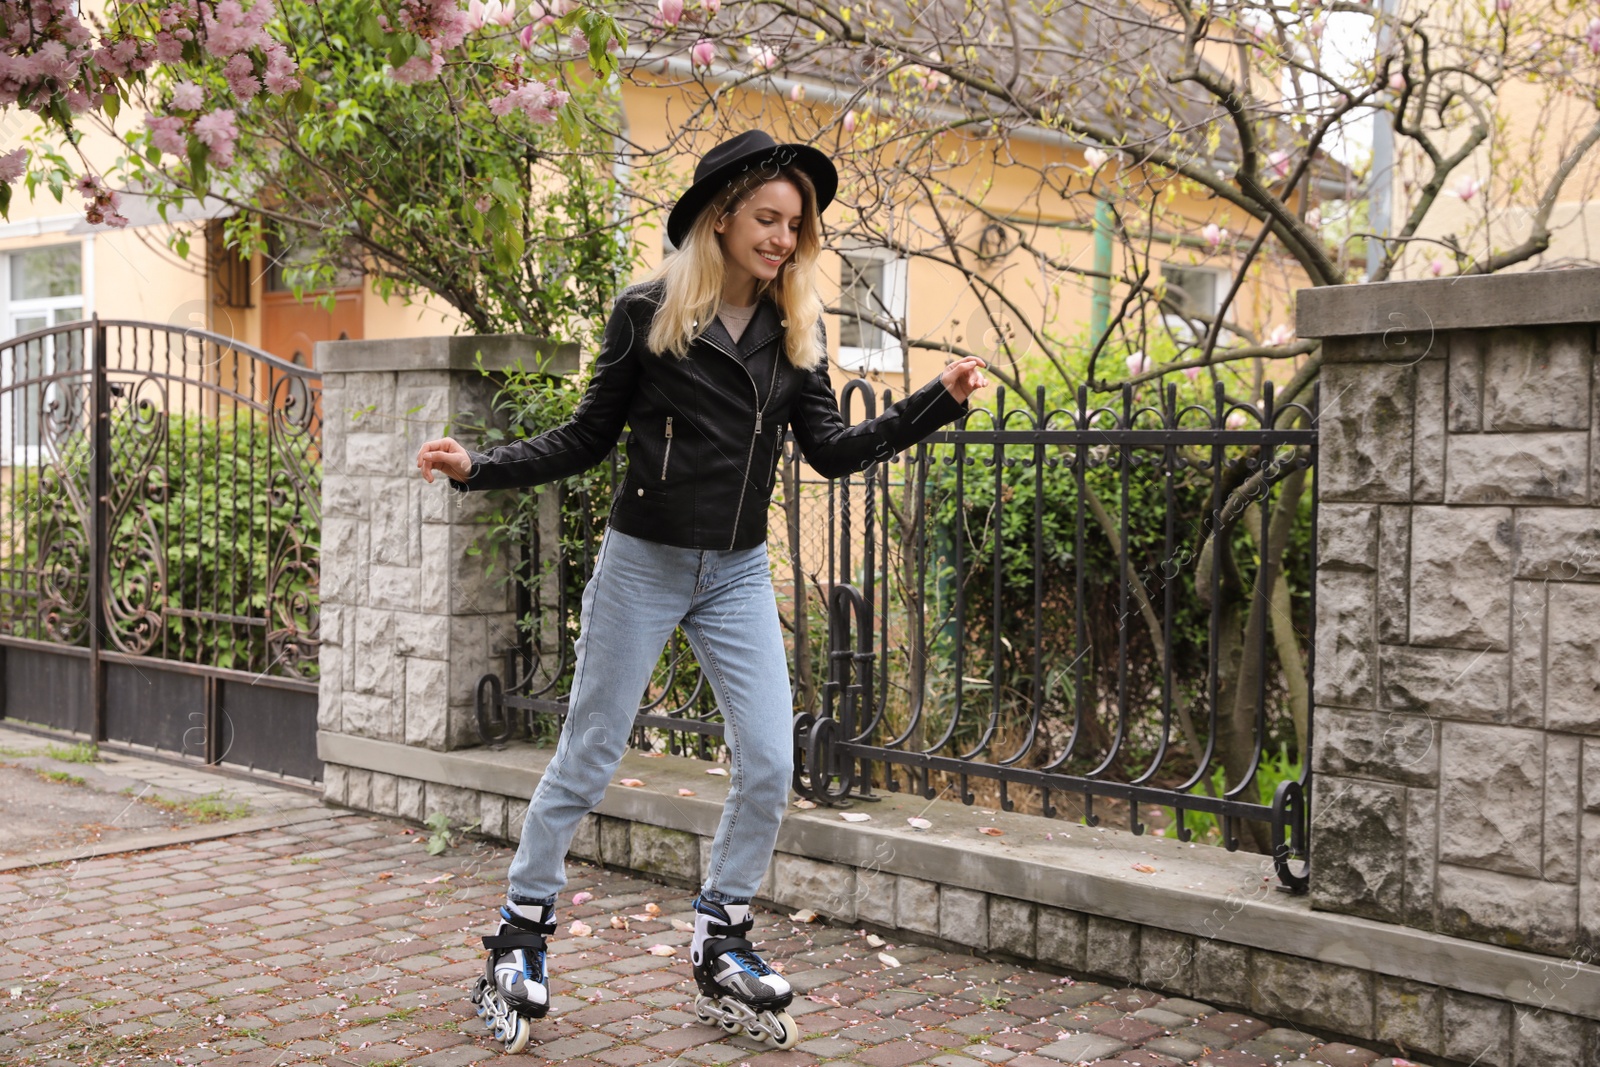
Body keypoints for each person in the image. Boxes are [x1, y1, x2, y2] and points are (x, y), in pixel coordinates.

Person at [415, 129, 988, 1052]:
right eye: (768, 218)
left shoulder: (795, 333)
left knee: (769, 760)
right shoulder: (648, 314)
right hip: (642, 563)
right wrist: (479, 465)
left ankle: (721, 932)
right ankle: (520, 935)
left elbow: (834, 453)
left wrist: (936, 401)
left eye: (795, 226)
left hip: (735, 574)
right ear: (721, 217)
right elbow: (585, 437)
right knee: (589, 752)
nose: (783, 238)